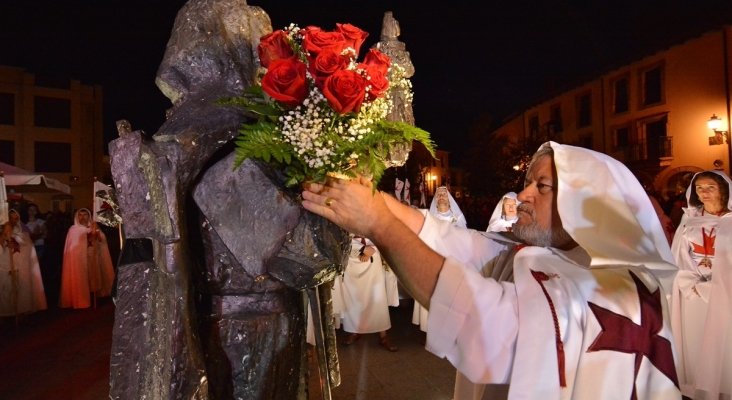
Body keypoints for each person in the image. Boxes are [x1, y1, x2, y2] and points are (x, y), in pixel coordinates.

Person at [302, 141, 680, 399]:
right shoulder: (560, 258)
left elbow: (485, 319)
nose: (523, 195)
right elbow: (448, 239)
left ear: (588, 206)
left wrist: (379, 225)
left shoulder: (606, 290)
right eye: (527, 182)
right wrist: (373, 200)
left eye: (542, 185)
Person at [670, 170, 732, 399]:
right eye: (699, 188)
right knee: (695, 342)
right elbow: (677, 256)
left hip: (725, 296)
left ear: (723, 191)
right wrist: (688, 282)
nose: (703, 193)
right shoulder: (690, 220)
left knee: (723, 346)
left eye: (710, 188)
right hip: (692, 294)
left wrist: (714, 286)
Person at [412, 186, 467, 337]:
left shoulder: (458, 218)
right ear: (435, 200)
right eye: (439, 195)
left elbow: (465, 240)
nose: (441, 196)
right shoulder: (429, 218)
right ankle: (429, 330)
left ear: (449, 199)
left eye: (444, 194)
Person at [333, 234, 398, 351]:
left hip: (374, 253)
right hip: (351, 256)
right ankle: (354, 331)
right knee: (352, 295)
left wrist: (373, 249)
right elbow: (338, 235)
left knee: (378, 296)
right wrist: (361, 249)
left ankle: (383, 335)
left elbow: (385, 234)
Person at [59, 208, 115, 309]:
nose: (83, 217)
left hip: (92, 258)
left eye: (85, 215)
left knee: (92, 278)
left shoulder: (93, 227)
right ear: (76, 217)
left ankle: (93, 297)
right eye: (80, 215)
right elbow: (73, 247)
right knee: (81, 278)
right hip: (79, 260)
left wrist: (96, 232)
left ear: (89, 216)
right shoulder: (73, 230)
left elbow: (101, 241)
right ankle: (81, 299)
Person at [0, 209, 47, 317]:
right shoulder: (3, 232)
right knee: (6, 290)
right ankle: (7, 311)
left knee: (22, 288)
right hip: (6, 266)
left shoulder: (23, 234)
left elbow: (28, 249)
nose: (13, 220)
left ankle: (22, 309)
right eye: (11, 217)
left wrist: (17, 246)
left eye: (15, 217)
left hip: (22, 266)